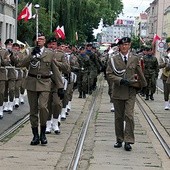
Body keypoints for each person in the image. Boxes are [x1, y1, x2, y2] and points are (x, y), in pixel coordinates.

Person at [17, 32, 64, 145]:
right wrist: (31, 55)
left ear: (45, 40)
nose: (40, 41)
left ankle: (43, 132)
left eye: (42, 39)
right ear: (35, 41)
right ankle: (35, 135)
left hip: (45, 82)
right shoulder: (30, 52)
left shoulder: (50, 53)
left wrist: (60, 86)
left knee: (43, 107)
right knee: (33, 110)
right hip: (32, 82)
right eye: (38, 39)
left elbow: (55, 70)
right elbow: (20, 63)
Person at [106, 37, 147, 151]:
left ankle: (128, 140)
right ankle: (119, 139)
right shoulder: (113, 59)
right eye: (123, 45)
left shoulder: (134, 58)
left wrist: (143, 85)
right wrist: (119, 80)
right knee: (118, 117)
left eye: (127, 44)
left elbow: (139, 71)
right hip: (118, 90)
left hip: (130, 91)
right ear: (119, 46)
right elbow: (109, 74)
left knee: (129, 115)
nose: (125, 47)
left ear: (130, 46)